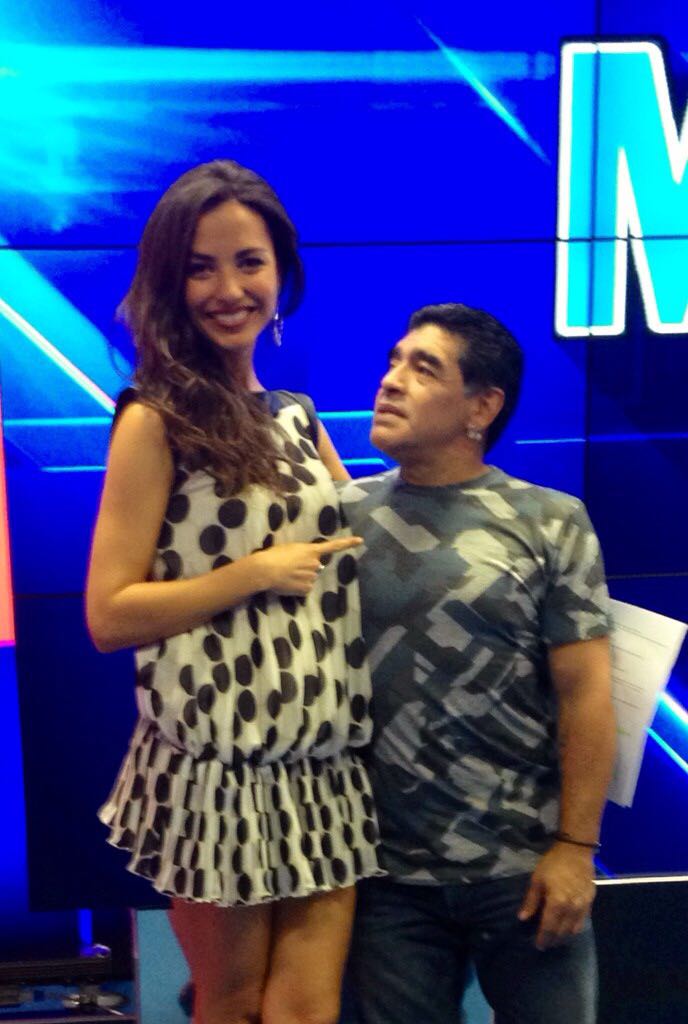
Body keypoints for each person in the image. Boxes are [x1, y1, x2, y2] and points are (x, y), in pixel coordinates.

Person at [86, 159, 382, 1024]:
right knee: (235, 1004)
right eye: (201, 268)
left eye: (249, 262)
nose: (228, 289)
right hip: (219, 771)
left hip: (321, 765)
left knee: (307, 1010)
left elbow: (360, 552)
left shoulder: (299, 415)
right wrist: (251, 574)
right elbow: (108, 613)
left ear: (281, 270)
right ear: (169, 283)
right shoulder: (155, 418)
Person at [339, 303, 616, 1024]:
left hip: (524, 868)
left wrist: (575, 849)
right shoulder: (339, 518)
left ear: (482, 407)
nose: (391, 380)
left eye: (423, 368)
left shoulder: (551, 521)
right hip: (386, 881)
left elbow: (587, 696)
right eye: (394, 361)